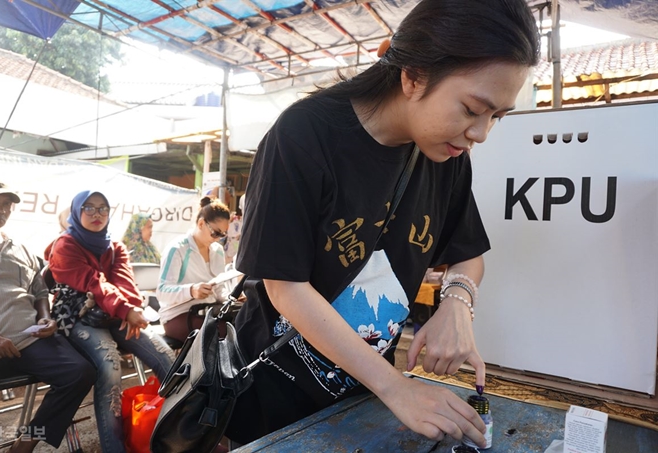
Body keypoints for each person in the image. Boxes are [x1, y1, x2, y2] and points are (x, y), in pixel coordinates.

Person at [225, 0, 541, 447]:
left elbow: (468, 256)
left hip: (362, 396)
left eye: (497, 117)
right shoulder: (304, 134)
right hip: (274, 394)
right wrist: (396, 386)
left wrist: (456, 303)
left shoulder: (446, 154)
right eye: (472, 109)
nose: (481, 134)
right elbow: (285, 287)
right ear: (412, 76)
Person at [44, 190, 175, 453]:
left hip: (115, 313)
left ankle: (184, 432)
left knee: (166, 357)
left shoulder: (114, 246)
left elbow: (125, 282)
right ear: (77, 211)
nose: (97, 214)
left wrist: (129, 309)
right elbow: (94, 283)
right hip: (78, 316)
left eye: (102, 208)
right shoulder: (65, 245)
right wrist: (126, 311)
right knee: (110, 365)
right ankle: (114, 449)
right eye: (89, 208)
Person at [0, 178, 95, 453]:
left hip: (30, 339)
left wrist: (46, 318)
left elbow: (40, 291)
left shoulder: (21, 248)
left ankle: (27, 442)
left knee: (80, 372)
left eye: (6, 204)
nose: (1, 208)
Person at [156, 197, 232, 342]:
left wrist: (231, 298)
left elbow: (219, 288)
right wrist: (191, 291)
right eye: (216, 233)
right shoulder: (177, 249)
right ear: (201, 223)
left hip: (208, 313)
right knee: (223, 333)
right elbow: (162, 292)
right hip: (177, 315)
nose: (218, 239)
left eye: (222, 235)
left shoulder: (218, 251)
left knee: (241, 325)